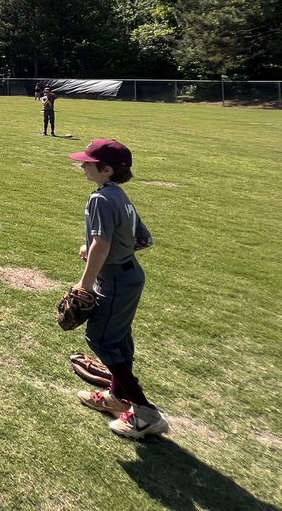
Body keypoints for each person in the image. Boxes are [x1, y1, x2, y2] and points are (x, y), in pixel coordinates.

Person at [68, 138, 169, 439]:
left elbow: (102, 243)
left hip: (112, 280)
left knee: (101, 338)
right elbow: (143, 240)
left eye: (88, 162)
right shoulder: (120, 195)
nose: (83, 165)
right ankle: (116, 397)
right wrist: (107, 251)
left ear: (107, 169)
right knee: (119, 338)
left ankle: (146, 413)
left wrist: (84, 283)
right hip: (130, 276)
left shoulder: (99, 199)